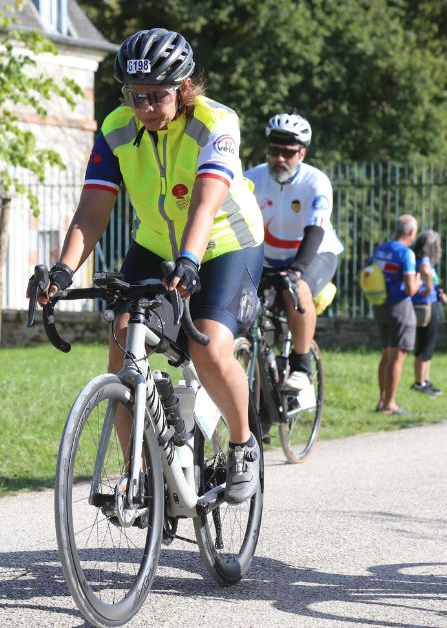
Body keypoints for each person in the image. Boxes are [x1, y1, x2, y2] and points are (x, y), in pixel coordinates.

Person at [33, 28, 264, 503]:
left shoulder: (215, 122)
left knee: (210, 347)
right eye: (136, 96)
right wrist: (62, 270)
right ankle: (134, 475)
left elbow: (205, 203)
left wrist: (190, 259)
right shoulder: (116, 127)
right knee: (121, 337)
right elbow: (92, 211)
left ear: (183, 88)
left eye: (157, 96)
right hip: (155, 245)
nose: (145, 108)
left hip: (224, 244)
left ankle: (243, 446)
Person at [244, 113, 343, 394]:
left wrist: (297, 269)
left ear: (302, 152)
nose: (280, 158)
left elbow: (315, 230)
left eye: (288, 152)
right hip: (268, 258)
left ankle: (301, 367)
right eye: (274, 151)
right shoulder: (252, 179)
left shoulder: (316, 181)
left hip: (313, 254)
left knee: (296, 289)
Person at [370, 215, 422, 415]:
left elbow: (364, 273)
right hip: (399, 307)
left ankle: (381, 400)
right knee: (396, 358)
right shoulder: (406, 254)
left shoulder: (381, 248)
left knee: (385, 356)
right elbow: (410, 289)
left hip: (380, 305)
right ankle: (390, 404)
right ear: (410, 232)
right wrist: (419, 281)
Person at [410, 230, 446, 396]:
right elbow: (425, 272)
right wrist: (430, 289)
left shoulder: (415, 258)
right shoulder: (424, 260)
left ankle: (423, 380)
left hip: (420, 305)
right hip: (426, 305)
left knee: (423, 344)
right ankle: (421, 382)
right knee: (427, 344)